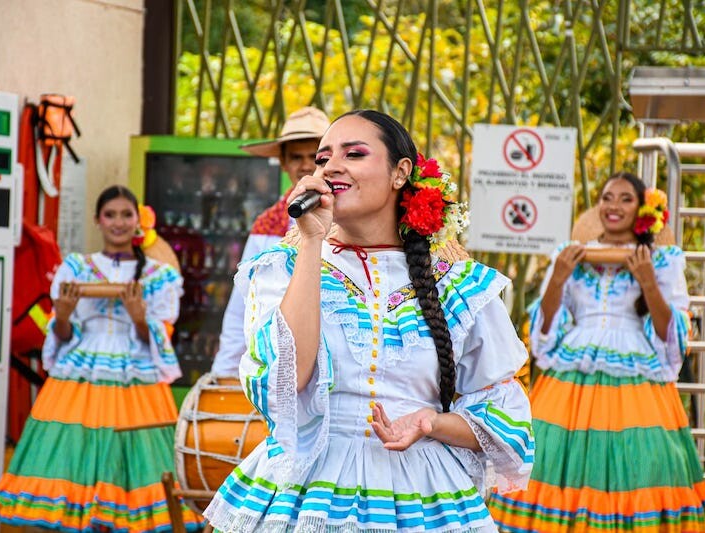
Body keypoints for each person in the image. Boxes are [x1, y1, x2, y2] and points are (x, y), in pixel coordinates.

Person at [202, 109, 534, 532]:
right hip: (306, 495)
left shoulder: (460, 284)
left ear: (401, 173)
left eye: (354, 154)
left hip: (423, 498)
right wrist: (311, 241)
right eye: (323, 159)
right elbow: (287, 379)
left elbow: (505, 417)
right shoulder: (280, 268)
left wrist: (429, 422)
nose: (330, 167)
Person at [488, 172, 705, 532]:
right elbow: (544, 332)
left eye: (626, 198)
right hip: (572, 374)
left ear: (642, 209)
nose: (614, 205)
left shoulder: (662, 261)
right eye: (608, 197)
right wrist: (559, 276)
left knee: (642, 463)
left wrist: (647, 280)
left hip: (637, 375)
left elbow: (672, 335)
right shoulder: (570, 255)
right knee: (555, 462)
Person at [0, 186, 203, 532]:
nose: (118, 222)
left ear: (138, 222)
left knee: (133, 461)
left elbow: (157, 339)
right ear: (97, 220)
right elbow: (62, 336)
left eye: (126, 215)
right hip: (79, 376)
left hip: (136, 378)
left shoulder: (158, 276)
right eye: (110, 214)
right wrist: (62, 316)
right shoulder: (76, 268)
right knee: (73, 458)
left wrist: (139, 318)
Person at [212, 105, 330, 377]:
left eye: (314, 156)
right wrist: (224, 373)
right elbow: (242, 304)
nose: (305, 165)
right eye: (296, 157)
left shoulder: (350, 219)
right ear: (284, 163)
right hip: (277, 364)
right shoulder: (267, 225)